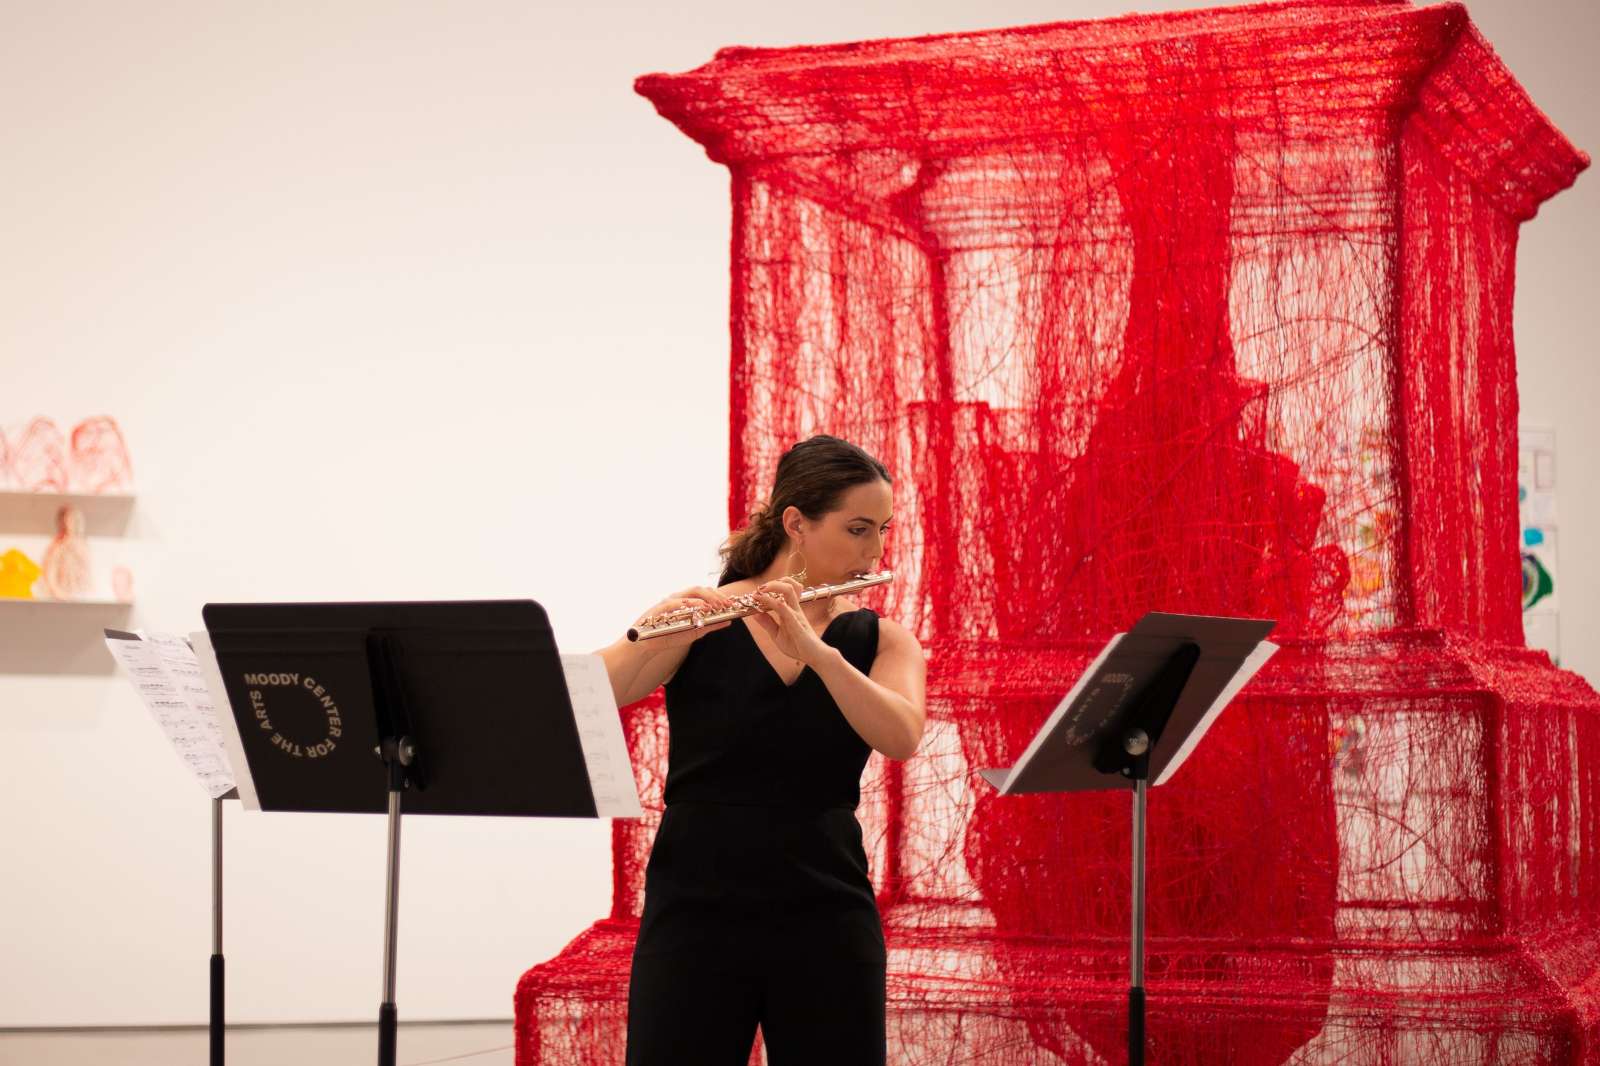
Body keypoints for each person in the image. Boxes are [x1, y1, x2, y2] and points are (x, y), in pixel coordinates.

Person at [597, 434, 926, 1066]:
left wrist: (820, 655)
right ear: (796, 523)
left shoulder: (880, 640)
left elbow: (901, 734)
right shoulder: (710, 614)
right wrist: (649, 630)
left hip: (826, 913)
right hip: (695, 913)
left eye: (883, 529)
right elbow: (592, 693)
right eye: (858, 529)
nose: (876, 550)